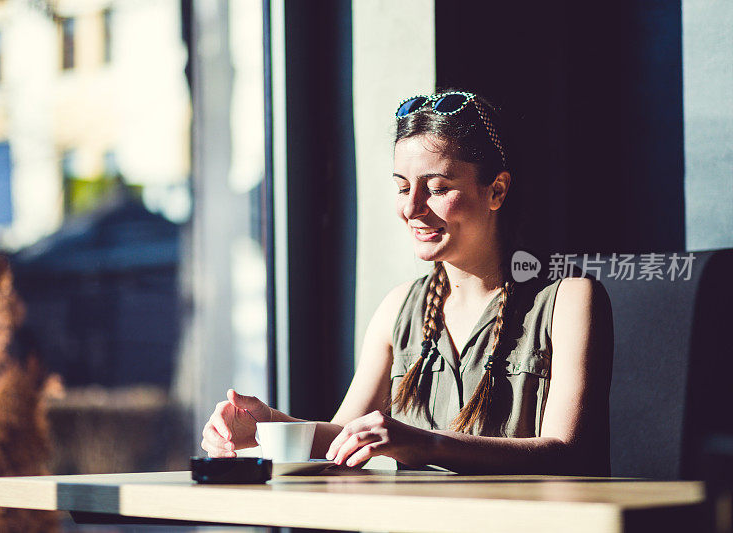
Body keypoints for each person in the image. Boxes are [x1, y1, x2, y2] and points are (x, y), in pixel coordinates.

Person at [201, 90, 613, 475]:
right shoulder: (399, 307)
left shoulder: (570, 300)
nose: (412, 208)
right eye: (402, 187)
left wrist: (425, 445)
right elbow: (343, 436)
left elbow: (568, 452)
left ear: (497, 191)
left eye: (438, 188)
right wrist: (263, 427)